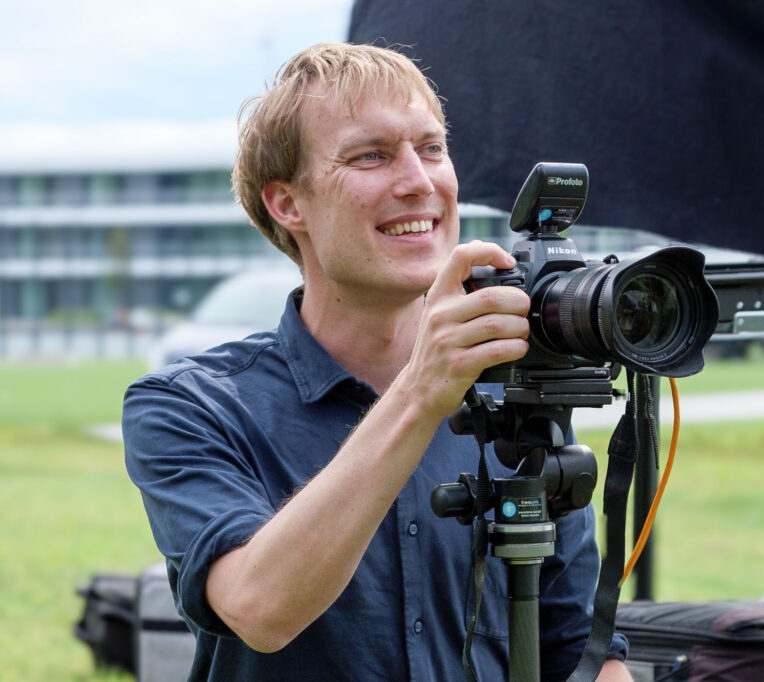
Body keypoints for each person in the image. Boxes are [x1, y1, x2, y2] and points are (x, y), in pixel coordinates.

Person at [123, 42, 631, 681]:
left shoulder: (513, 395)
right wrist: (422, 394)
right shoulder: (189, 405)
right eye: (372, 155)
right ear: (287, 204)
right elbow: (259, 609)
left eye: (432, 148)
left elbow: (582, 654)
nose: (419, 182)